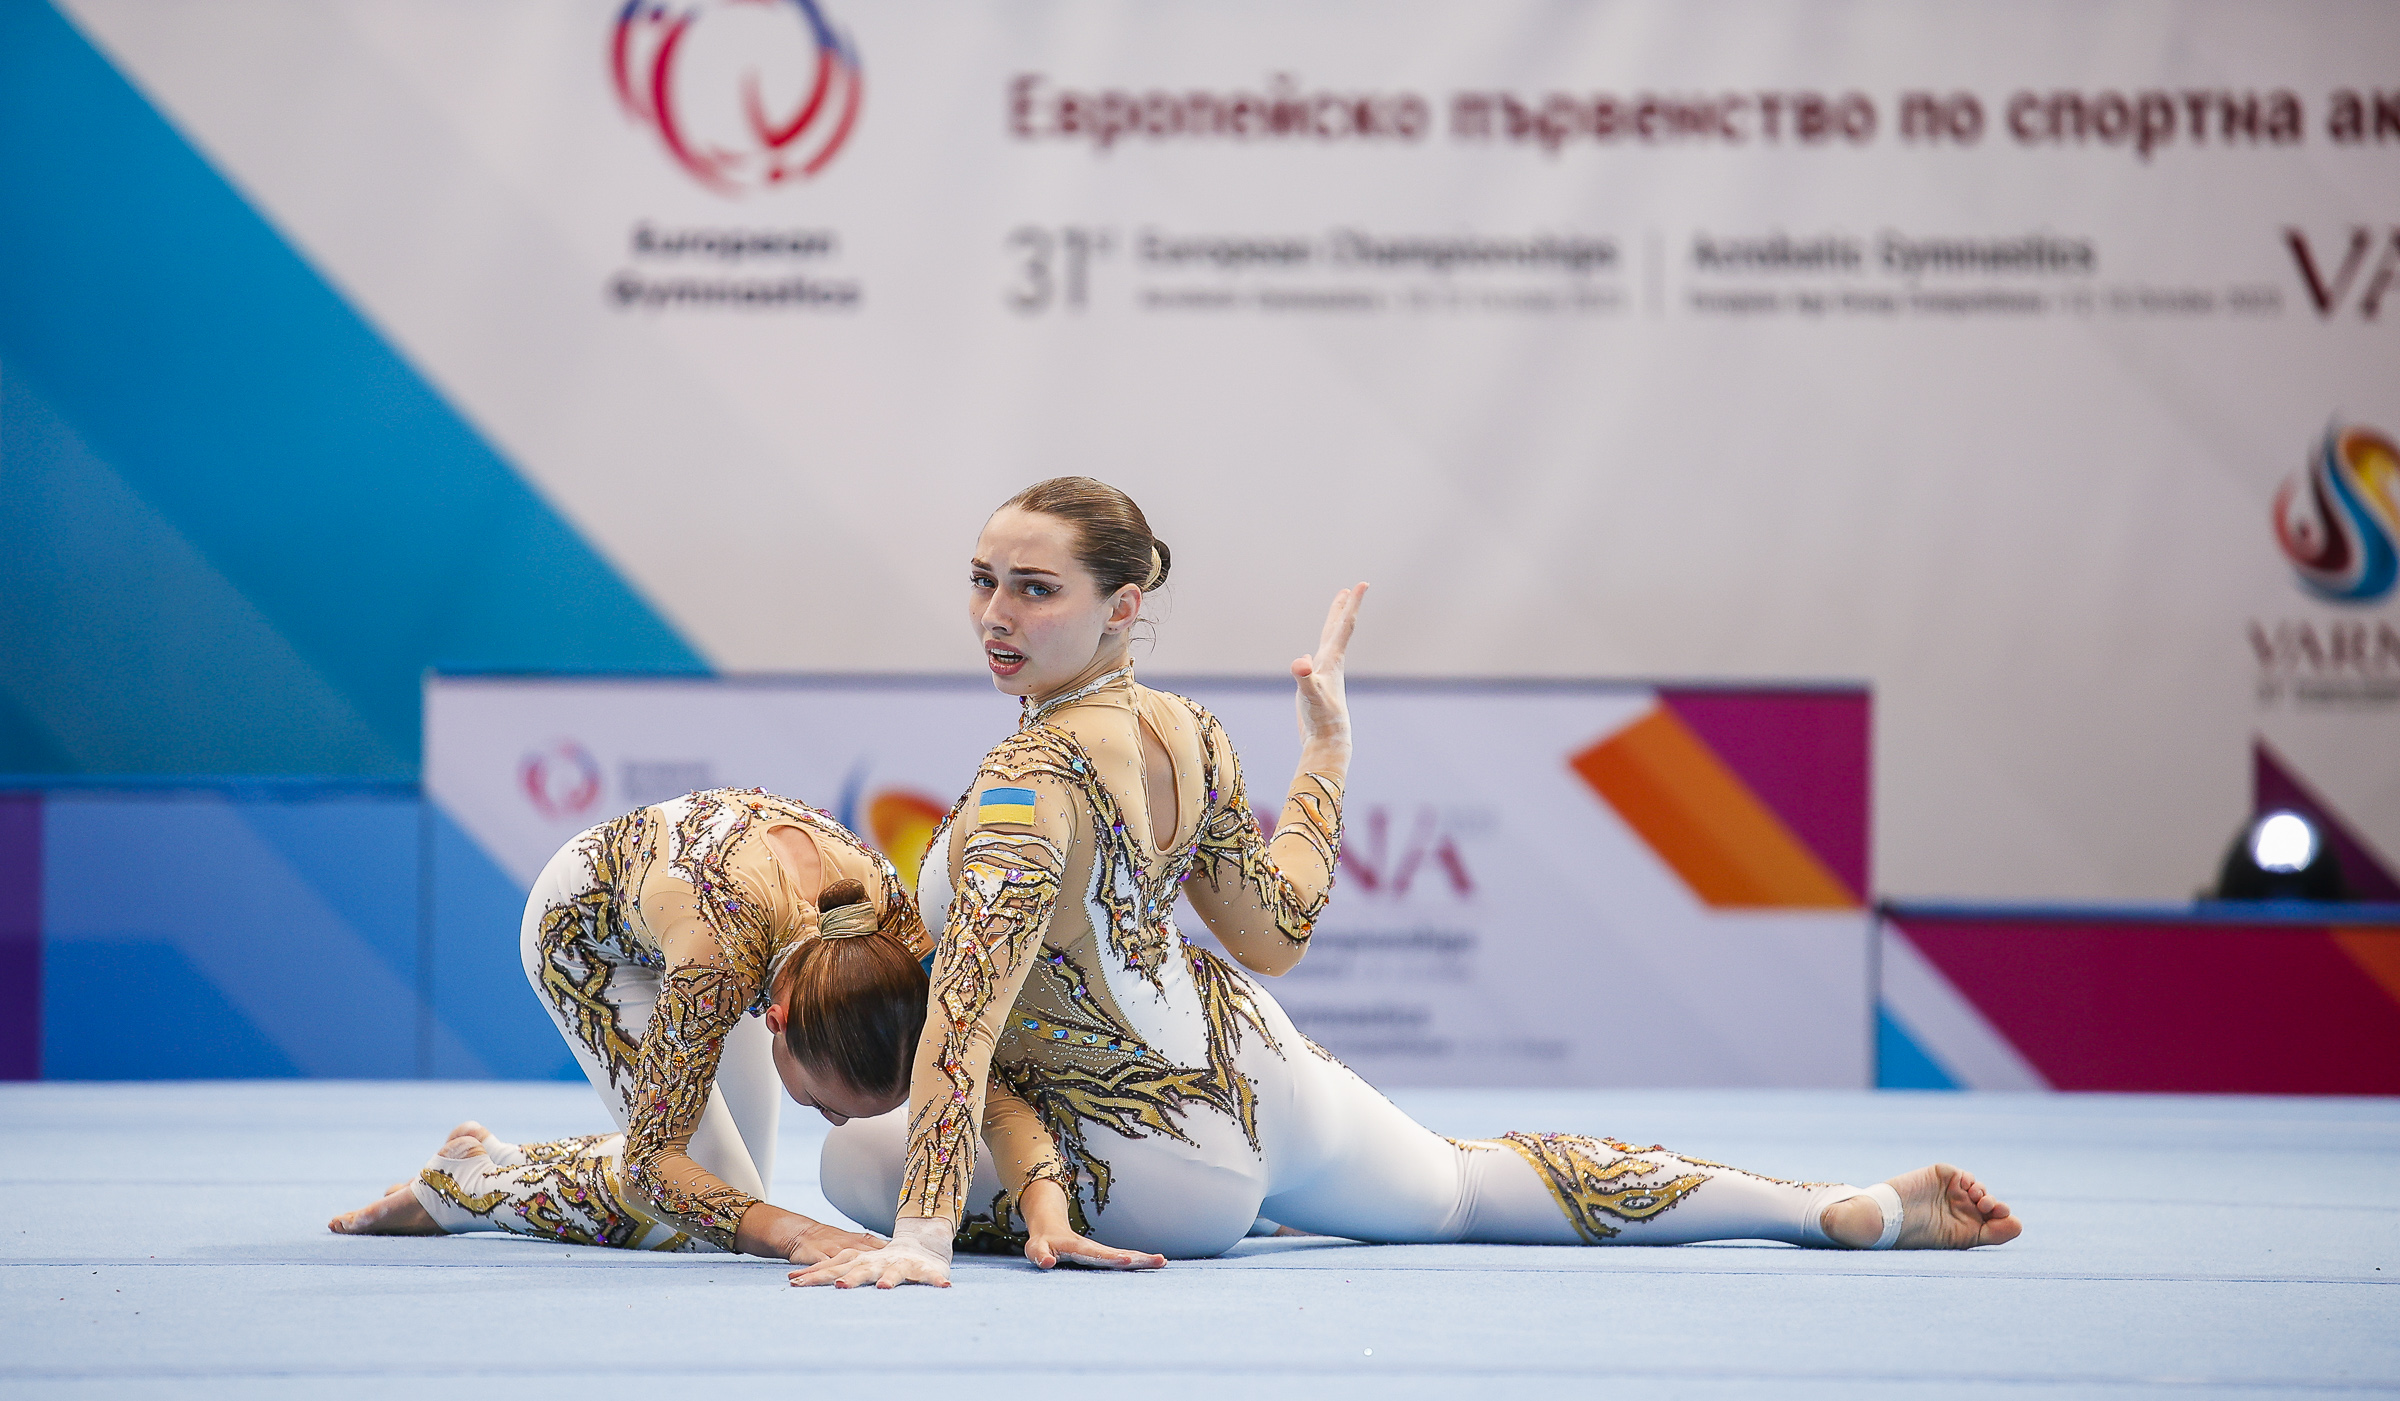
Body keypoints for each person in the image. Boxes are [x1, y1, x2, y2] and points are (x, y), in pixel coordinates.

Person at [795, 477, 2023, 1290]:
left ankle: (1834, 1208)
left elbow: (966, 1014)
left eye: (1034, 589)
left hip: (1151, 1168)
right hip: (1262, 1073)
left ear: (1122, 606)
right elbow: (1275, 936)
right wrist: (1326, 753)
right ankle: (1829, 1208)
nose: (995, 614)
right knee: (1465, 1183)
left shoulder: (1024, 786)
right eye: (983, 579)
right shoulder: (1191, 733)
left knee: (850, 1161)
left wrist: (921, 1236)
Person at [328, 788, 931, 1265]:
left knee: (729, 1192)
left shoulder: (890, 935)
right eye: (827, 1105)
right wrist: (797, 1234)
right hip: (586, 934)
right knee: (709, 1208)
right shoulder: (715, 969)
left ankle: (498, 1159)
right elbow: (653, 1166)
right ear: (777, 1020)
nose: (839, 1125)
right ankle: (466, 1187)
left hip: (711, 925)